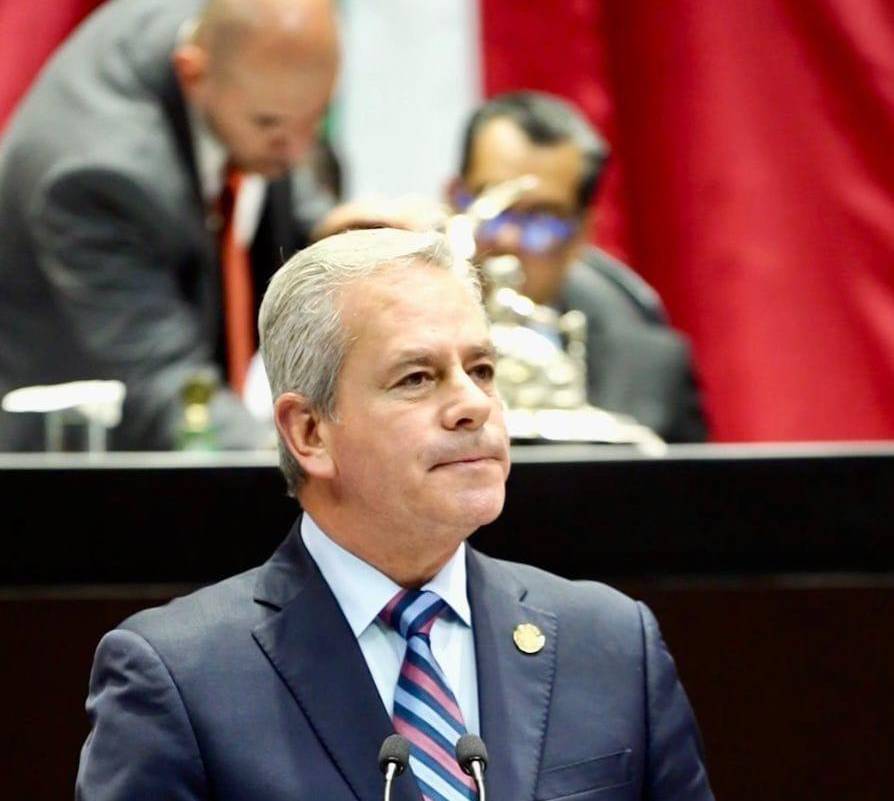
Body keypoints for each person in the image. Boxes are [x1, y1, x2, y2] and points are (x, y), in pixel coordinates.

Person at [76, 228, 714, 801]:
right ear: (309, 432)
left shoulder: (611, 644)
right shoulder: (180, 678)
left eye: (481, 369)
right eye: (417, 378)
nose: (473, 405)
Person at [0, 0, 339, 451]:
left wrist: (334, 228)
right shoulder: (96, 180)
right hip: (69, 453)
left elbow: (281, 136)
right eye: (269, 125)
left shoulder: (224, 39)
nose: (296, 153)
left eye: (315, 119)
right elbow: (168, 386)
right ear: (193, 74)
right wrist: (300, 463)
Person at [452, 91, 708, 442]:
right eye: (492, 207)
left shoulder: (651, 371)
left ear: (582, 233)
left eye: (541, 217)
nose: (509, 239)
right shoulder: (394, 342)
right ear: (453, 200)